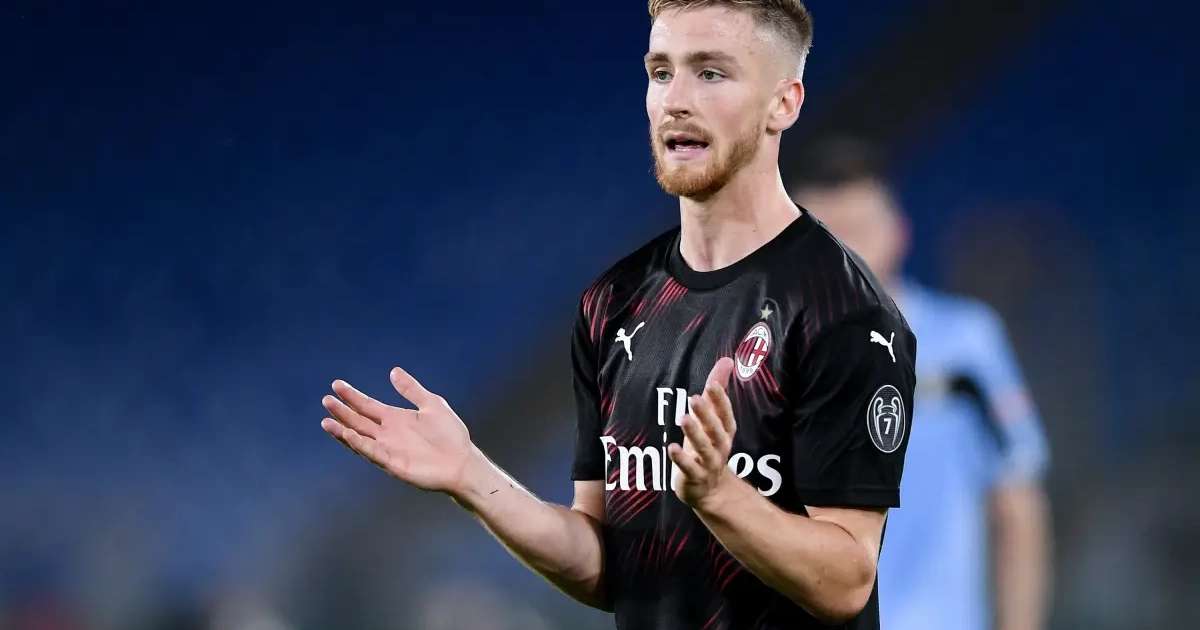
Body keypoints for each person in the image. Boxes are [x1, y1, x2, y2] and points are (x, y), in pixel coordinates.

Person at [319, 3, 916, 629]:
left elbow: (846, 581)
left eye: (711, 73)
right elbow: (608, 564)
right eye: (661, 72)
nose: (676, 100)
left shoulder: (845, 314)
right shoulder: (614, 301)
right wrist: (472, 477)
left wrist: (720, 497)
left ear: (783, 104)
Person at [789, 137, 1052, 630]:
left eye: (860, 230)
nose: (846, 252)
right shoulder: (760, 357)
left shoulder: (966, 343)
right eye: (826, 235)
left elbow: (1017, 505)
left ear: (899, 233)